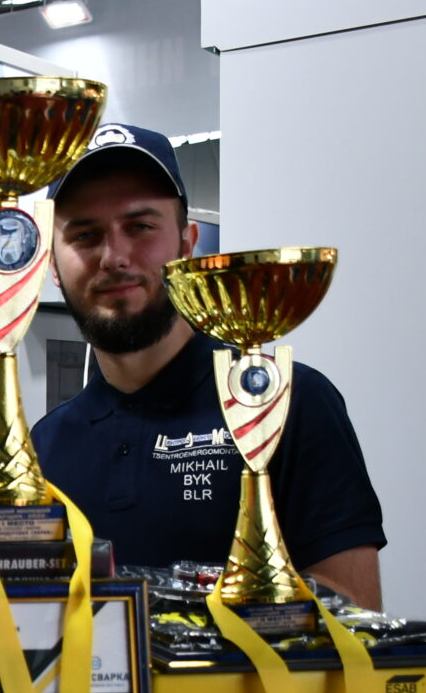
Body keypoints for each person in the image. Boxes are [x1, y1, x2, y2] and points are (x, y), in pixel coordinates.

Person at [30, 122, 385, 606]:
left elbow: (355, 608)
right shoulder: (45, 446)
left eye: (140, 227)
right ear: (52, 263)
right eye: (85, 235)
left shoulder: (288, 402)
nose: (114, 256)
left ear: (186, 243)